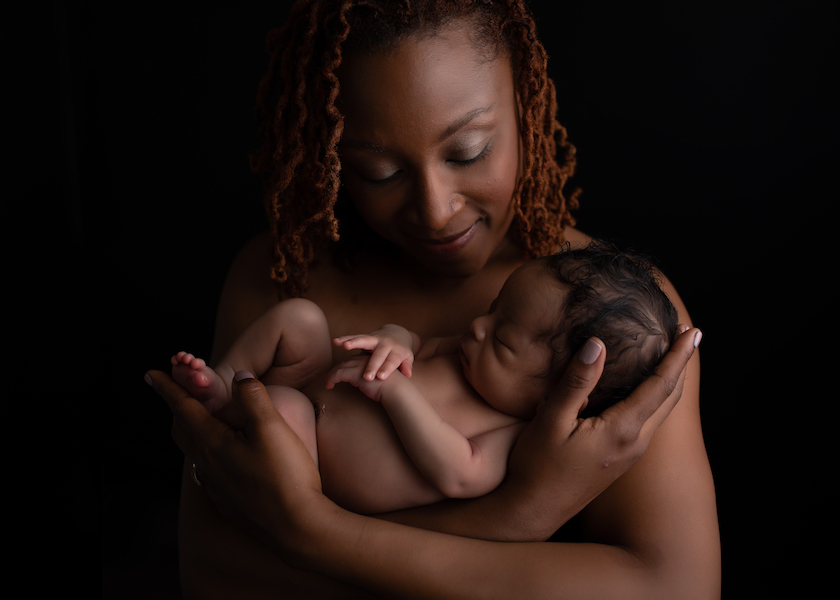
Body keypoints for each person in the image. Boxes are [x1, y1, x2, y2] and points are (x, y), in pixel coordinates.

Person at [148, 0, 720, 597]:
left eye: (468, 151)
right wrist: (517, 518)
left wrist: (309, 532)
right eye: (378, 172)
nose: (436, 211)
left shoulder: (612, 326)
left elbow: (678, 588)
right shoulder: (281, 273)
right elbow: (214, 572)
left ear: (525, 104)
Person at [171, 244, 679, 514]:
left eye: (501, 339)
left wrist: (396, 394)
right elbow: (413, 341)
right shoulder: (466, 353)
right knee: (300, 318)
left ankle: (226, 406)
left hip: (312, 459)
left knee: (282, 409)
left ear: (552, 396)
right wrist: (394, 340)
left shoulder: (512, 434)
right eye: (494, 309)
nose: (478, 328)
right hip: (312, 382)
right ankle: (222, 380)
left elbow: (459, 473)